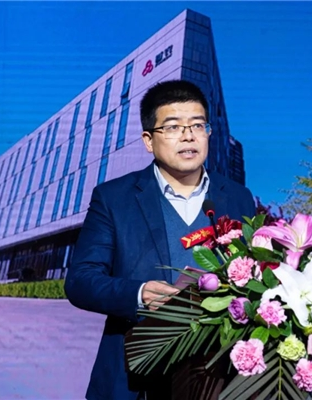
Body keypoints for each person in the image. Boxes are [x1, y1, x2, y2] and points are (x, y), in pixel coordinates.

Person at [64, 80, 256, 400]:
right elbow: (80, 280)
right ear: (148, 141)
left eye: (198, 125)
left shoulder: (238, 197)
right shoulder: (114, 198)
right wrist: (139, 294)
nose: (188, 135)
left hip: (220, 378)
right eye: (173, 127)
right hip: (138, 378)